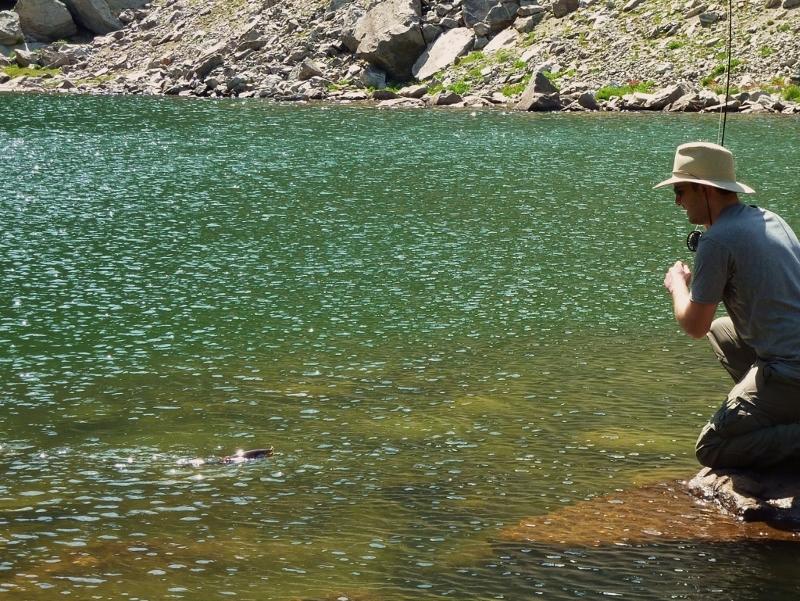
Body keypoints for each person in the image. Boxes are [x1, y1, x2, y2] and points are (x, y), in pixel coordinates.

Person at [656, 141, 800, 469]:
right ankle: (771, 411)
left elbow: (694, 325)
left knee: (711, 447)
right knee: (722, 331)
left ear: (704, 190)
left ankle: (783, 425)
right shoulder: (770, 219)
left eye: (679, 190)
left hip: (791, 371)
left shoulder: (717, 241)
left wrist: (678, 284)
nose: (677, 201)